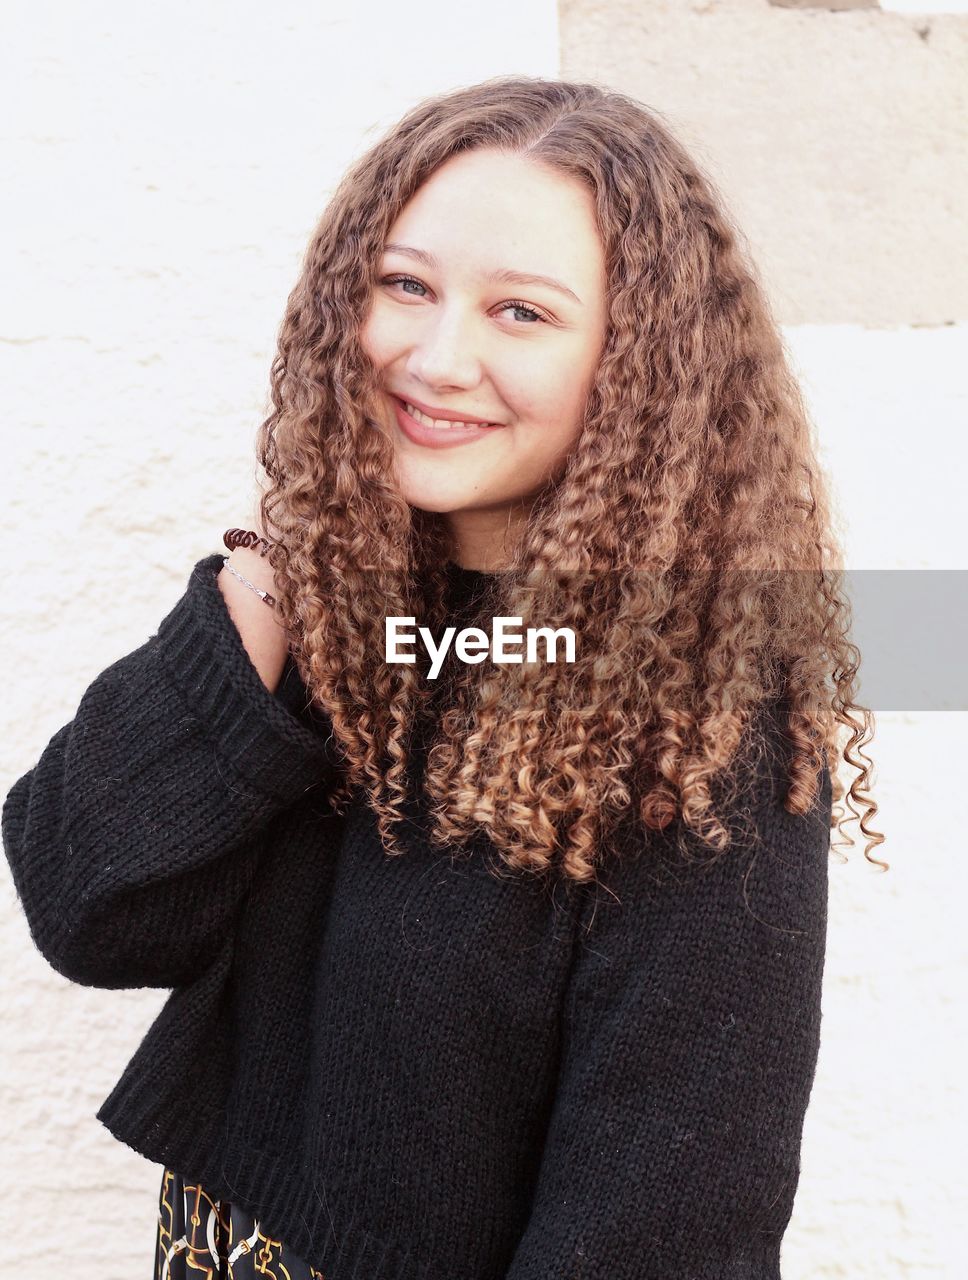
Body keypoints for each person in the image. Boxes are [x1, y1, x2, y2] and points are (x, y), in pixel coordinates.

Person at [1, 75, 885, 1279]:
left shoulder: (696, 717)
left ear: (633, 367)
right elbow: (89, 904)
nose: (435, 355)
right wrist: (273, 579)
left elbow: (661, 1229)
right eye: (404, 285)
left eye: (520, 312)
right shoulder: (333, 604)